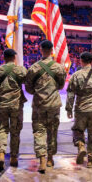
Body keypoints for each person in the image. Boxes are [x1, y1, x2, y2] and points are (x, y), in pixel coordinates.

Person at [25, 40, 67, 173]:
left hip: (39, 104)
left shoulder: (33, 68)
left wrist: (39, 92)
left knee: (39, 131)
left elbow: (29, 88)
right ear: (52, 50)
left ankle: (42, 159)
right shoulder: (59, 67)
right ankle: (50, 158)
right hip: (54, 104)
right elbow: (61, 85)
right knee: (52, 131)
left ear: (41, 49)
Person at [0, 49, 27, 170]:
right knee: (15, 131)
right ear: (14, 57)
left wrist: (1, 93)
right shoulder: (21, 70)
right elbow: (28, 83)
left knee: (2, 130)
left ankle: (1, 154)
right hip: (16, 105)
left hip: (2, 105)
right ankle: (14, 157)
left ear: (3, 57)